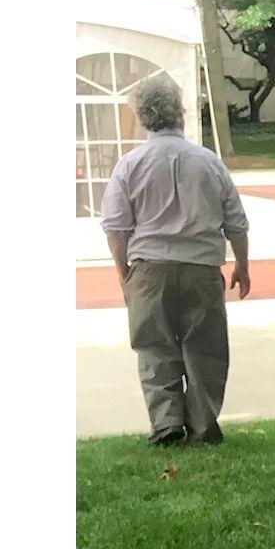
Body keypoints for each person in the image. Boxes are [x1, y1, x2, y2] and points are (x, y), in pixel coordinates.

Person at [99, 73, 251, 445]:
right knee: (206, 350)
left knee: (154, 348)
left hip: (149, 268)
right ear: (180, 113)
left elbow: (116, 227)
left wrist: (124, 274)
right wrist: (242, 266)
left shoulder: (130, 165)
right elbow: (236, 222)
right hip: (201, 267)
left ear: (142, 115)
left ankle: (166, 423)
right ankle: (201, 426)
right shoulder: (208, 162)